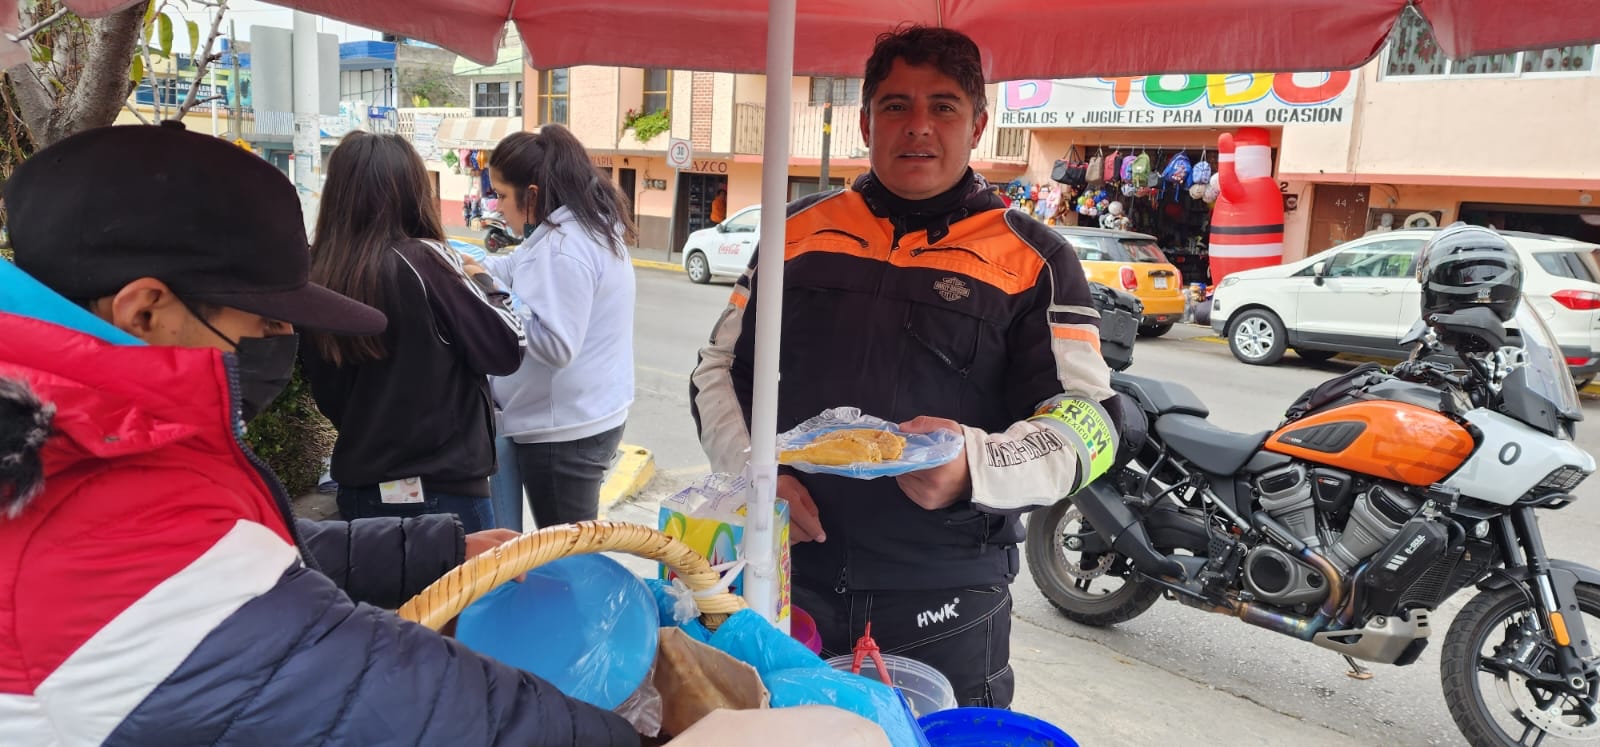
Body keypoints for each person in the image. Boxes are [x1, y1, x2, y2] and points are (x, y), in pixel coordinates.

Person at [0, 122, 639, 745]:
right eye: (261, 320)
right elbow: (370, 691)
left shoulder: (82, 445)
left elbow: (240, 549)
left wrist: (440, 550)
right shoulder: (70, 510)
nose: (279, 340)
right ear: (145, 310)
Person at [690, 26, 1128, 709]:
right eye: (895, 105)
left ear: (978, 123)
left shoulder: (1037, 258)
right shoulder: (792, 232)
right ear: (866, 120)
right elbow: (718, 370)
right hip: (783, 573)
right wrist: (755, 471)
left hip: (946, 601)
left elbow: (1092, 422)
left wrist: (974, 465)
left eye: (944, 106)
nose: (918, 126)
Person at [299, 132, 525, 534]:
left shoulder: (315, 272)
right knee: (461, 599)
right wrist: (484, 279)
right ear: (412, 191)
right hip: (443, 492)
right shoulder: (425, 260)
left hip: (361, 489)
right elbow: (506, 348)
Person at [478, 125, 639, 528]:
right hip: (585, 418)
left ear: (531, 195)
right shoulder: (579, 228)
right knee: (573, 544)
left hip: (563, 434)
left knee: (568, 556)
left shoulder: (563, 248)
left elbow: (555, 344)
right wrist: (472, 268)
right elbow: (516, 267)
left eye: (501, 195)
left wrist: (491, 294)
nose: (496, 207)